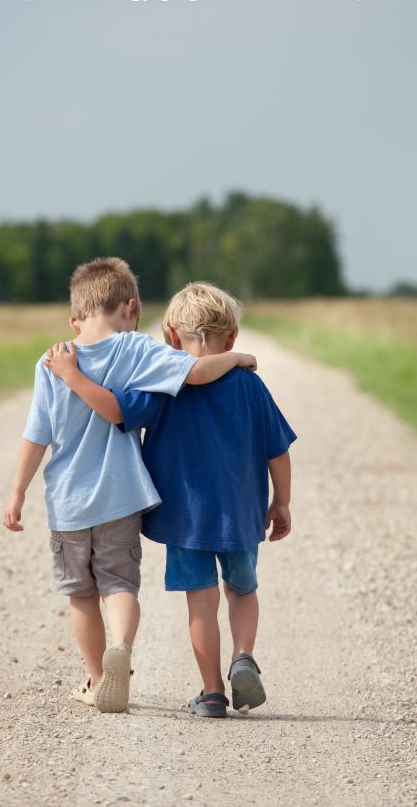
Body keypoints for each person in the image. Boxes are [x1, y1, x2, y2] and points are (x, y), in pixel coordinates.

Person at [2, 260, 257, 714]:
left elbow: (36, 435)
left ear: (75, 319)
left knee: (81, 595)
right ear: (131, 308)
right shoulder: (135, 350)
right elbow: (197, 372)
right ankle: (121, 643)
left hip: (68, 504)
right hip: (121, 497)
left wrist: (17, 491)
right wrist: (237, 358)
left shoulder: (51, 362)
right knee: (120, 585)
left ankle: (100, 678)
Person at [47, 281, 296, 719]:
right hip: (240, 514)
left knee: (201, 601)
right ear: (233, 339)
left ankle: (213, 692)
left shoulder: (163, 383)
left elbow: (115, 410)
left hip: (186, 519)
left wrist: (73, 376)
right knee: (242, 589)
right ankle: (243, 655)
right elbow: (279, 449)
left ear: (171, 337)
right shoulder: (250, 387)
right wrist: (282, 502)